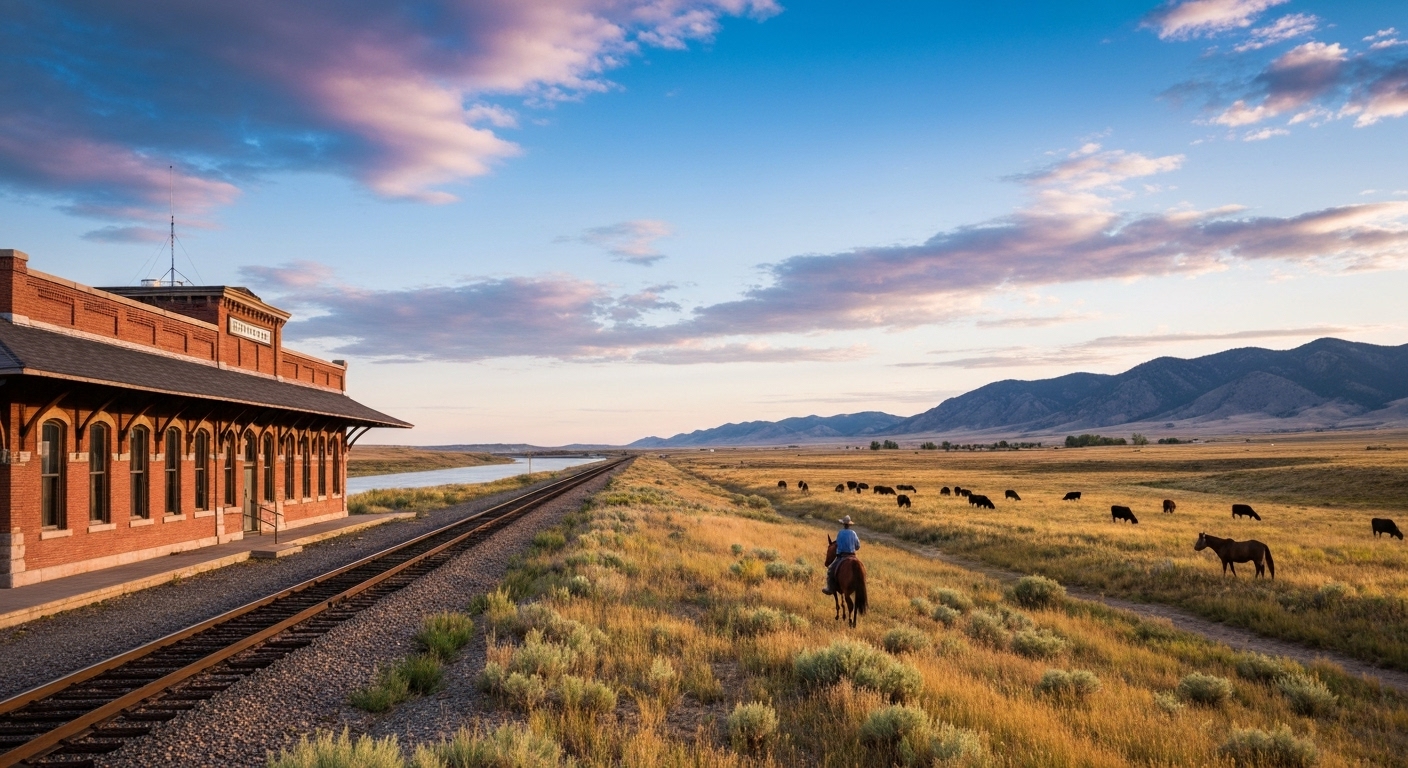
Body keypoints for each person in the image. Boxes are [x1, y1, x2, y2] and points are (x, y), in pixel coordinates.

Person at [822, 515, 860, 595]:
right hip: (853, 555)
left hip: (842, 556)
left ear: (843, 524)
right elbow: (858, 546)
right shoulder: (853, 533)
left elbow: (838, 545)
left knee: (830, 570)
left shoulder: (840, 533)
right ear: (849, 525)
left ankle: (829, 588)